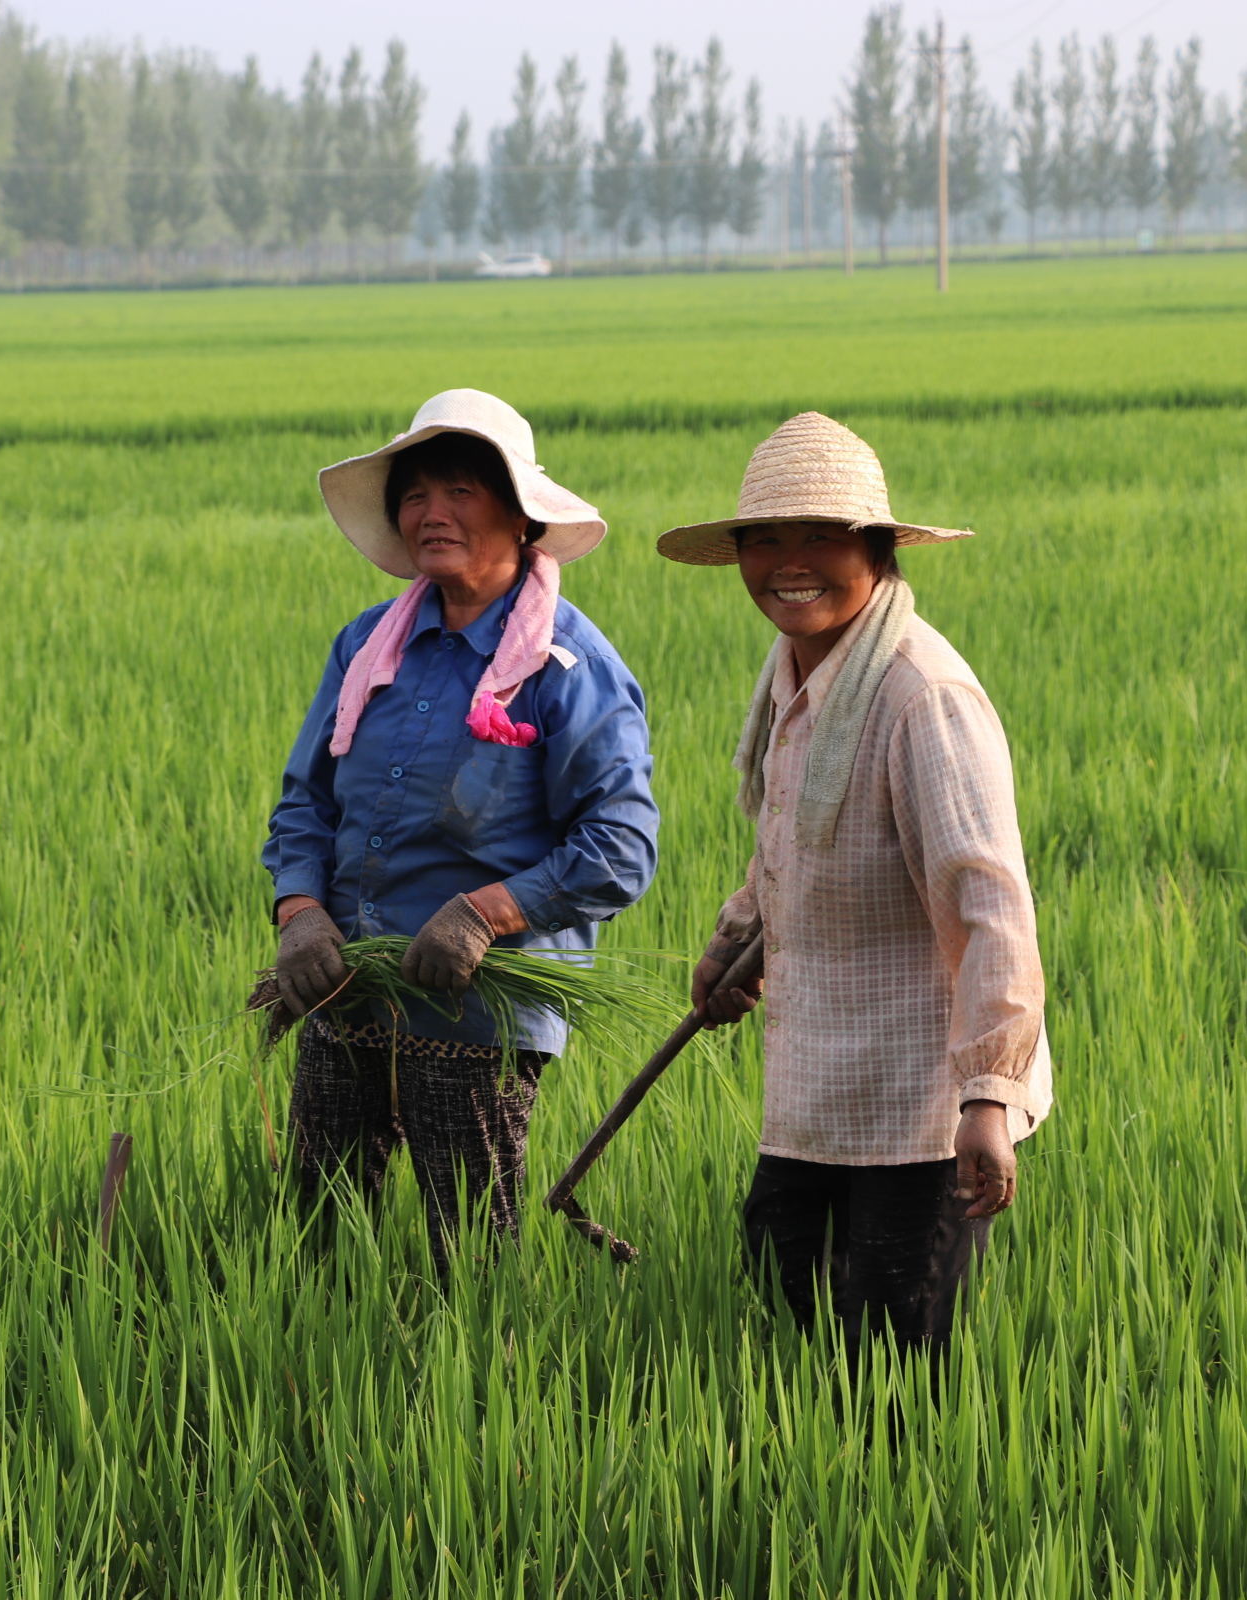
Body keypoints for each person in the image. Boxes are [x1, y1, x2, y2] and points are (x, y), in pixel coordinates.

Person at [656, 410, 1052, 1361]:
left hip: (920, 1107)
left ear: (875, 550)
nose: (792, 562)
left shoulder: (922, 697)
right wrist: (737, 939)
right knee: (781, 1304)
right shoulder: (799, 672)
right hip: (817, 1084)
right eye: (768, 539)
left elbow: (988, 906)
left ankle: (906, 1511)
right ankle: (807, 1502)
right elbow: (790, 840)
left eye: (822, 536)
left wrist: (988, 1099)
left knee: (890, 1360)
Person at [264, 389, 659, 1270]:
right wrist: (300, 911)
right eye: (414, 495)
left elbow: (621, 845)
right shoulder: (368, 646)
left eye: (461, 492)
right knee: (316, 1238)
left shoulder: (570, 666)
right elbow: (306, 802)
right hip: (346, 986)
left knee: (470, 1256)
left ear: (522, 518)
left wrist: (485, 913)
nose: (431, 513)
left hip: (477, 1010)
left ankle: (479, 1395)